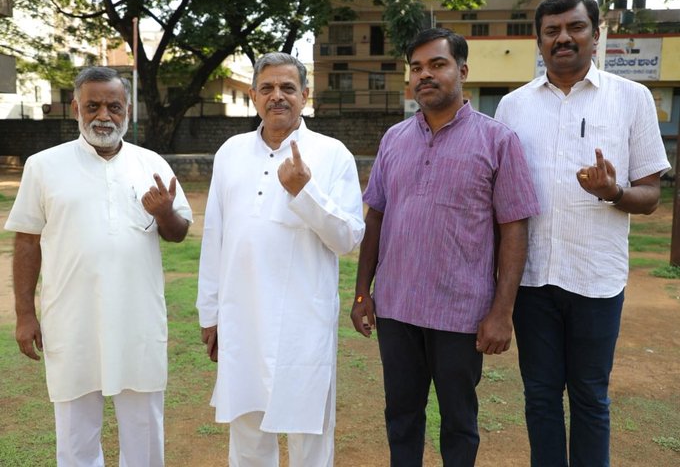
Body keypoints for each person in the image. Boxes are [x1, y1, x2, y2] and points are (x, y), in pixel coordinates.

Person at [494, 0, 671, 467]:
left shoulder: (631, 99)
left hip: (596, 278)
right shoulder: (512, 107)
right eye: (551, 31)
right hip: (532, 280)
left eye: (575, 28)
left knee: (591, 397)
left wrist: (613, 192)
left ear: (597, 35)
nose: (563, 38)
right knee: (541, 397)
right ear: (539, 41)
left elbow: (650, 195)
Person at [351, 28, 540, 466]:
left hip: (460, 314)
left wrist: (501, 312)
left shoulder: (498, 141)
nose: (425, 75)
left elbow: (514, 229)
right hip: (396, 308)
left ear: (463, 71)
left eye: (437, 64)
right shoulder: (393, 139)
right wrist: (363, 292)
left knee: (458, 421)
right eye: (416, 67)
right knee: (401, 416)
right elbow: (375, 216)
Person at [6, 66, 193, 465]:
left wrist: (164, 214)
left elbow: (178, 233)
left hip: (137, 319)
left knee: (143, 428)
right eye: (92, 106)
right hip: (71, 319)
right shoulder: (43, 166)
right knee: (75, 433)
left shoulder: (151, 163)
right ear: (76, 108)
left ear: (129, 111)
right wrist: (25, 313)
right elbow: (26, 240)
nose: (103, 116)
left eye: (114, 106)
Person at [196, 52, 364, 467]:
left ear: (305, 96)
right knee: (248, 430)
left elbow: (347, 239)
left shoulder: (331, 153)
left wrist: (304, 192)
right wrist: (209, 313)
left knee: (309, 434)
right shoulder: (230, 152)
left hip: (302, 323)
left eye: (288, 88)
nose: (277, 97)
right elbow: (215, 237)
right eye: (267, 88)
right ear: (252, 95)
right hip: (243, 317)